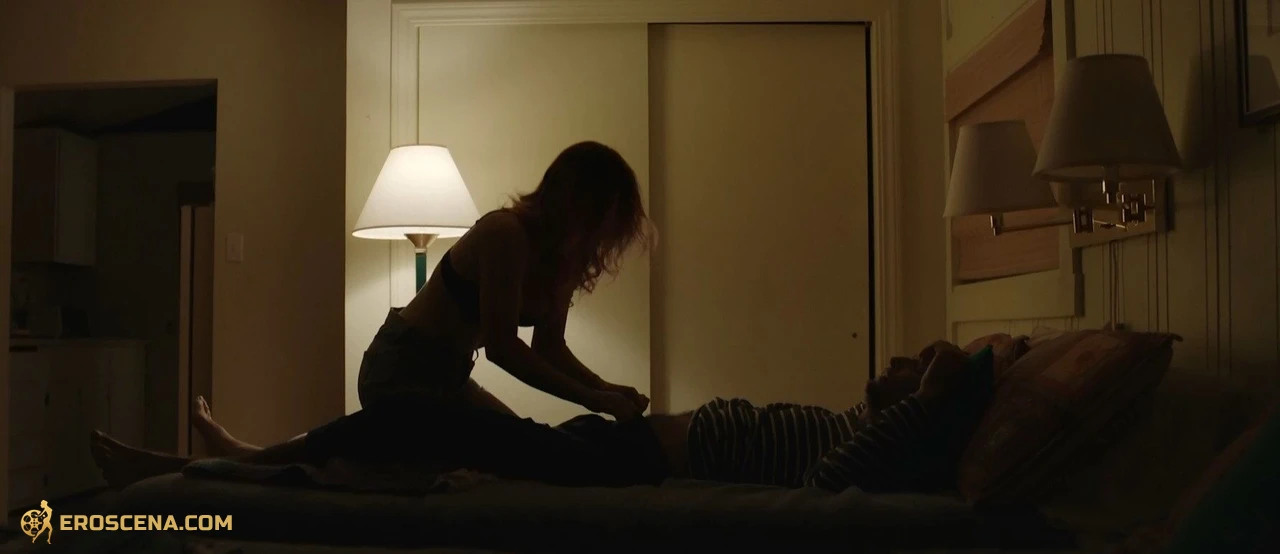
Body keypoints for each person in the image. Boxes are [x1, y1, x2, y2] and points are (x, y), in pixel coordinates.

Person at [90, 141, 659, 488]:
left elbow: (550, 348)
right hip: (400, 364)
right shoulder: (505, 235)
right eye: (605, 218)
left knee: (510, 451)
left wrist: (609, 390)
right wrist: (595, 401)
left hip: (447, 378)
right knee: (437, 440)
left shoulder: (562, 262)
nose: (606, 236)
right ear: (576, 202)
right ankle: (215, 464)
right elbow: (505, 348)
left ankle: (245, 456)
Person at [179, 341, 990, 496]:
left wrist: (929, 401)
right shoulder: (861, 419)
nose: (897, 359)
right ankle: (267, 458)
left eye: (915, 362)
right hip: (615, 444)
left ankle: (248, 460)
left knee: (419, 415)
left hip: (627, 465)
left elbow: (824, 489)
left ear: (922, 399)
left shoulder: (866, 448)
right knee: (437, 425)